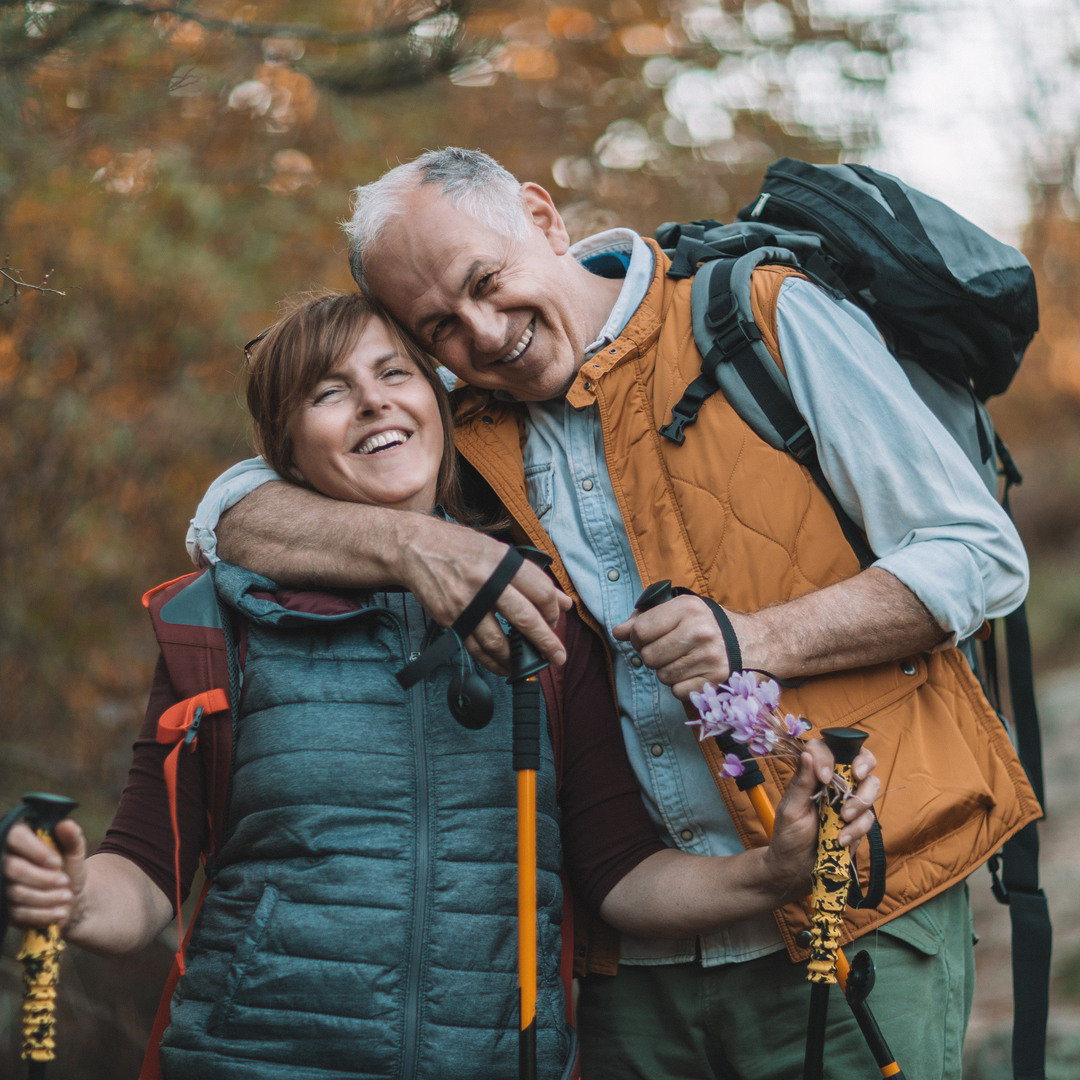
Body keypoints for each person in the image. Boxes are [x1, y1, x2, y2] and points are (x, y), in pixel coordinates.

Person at [180, 149, 1042, 1079]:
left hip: (858, 903)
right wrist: (418, 545)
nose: (483, 330)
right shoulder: (463, 431)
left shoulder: (759, 318)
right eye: (440, 325)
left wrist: (755, 638)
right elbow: (229, 512)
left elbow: (978, 555)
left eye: (487, 280)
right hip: (631, 960)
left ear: (543, 220)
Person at [2, 291, 880, 1080]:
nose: (375, 400)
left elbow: (620, 876)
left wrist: (775, 872)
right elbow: (144, 878)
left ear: (437, 405)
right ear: (288, 454)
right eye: (328, 391)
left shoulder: (549, 619)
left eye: (395, 373)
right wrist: (68, 894)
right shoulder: (216, 627)